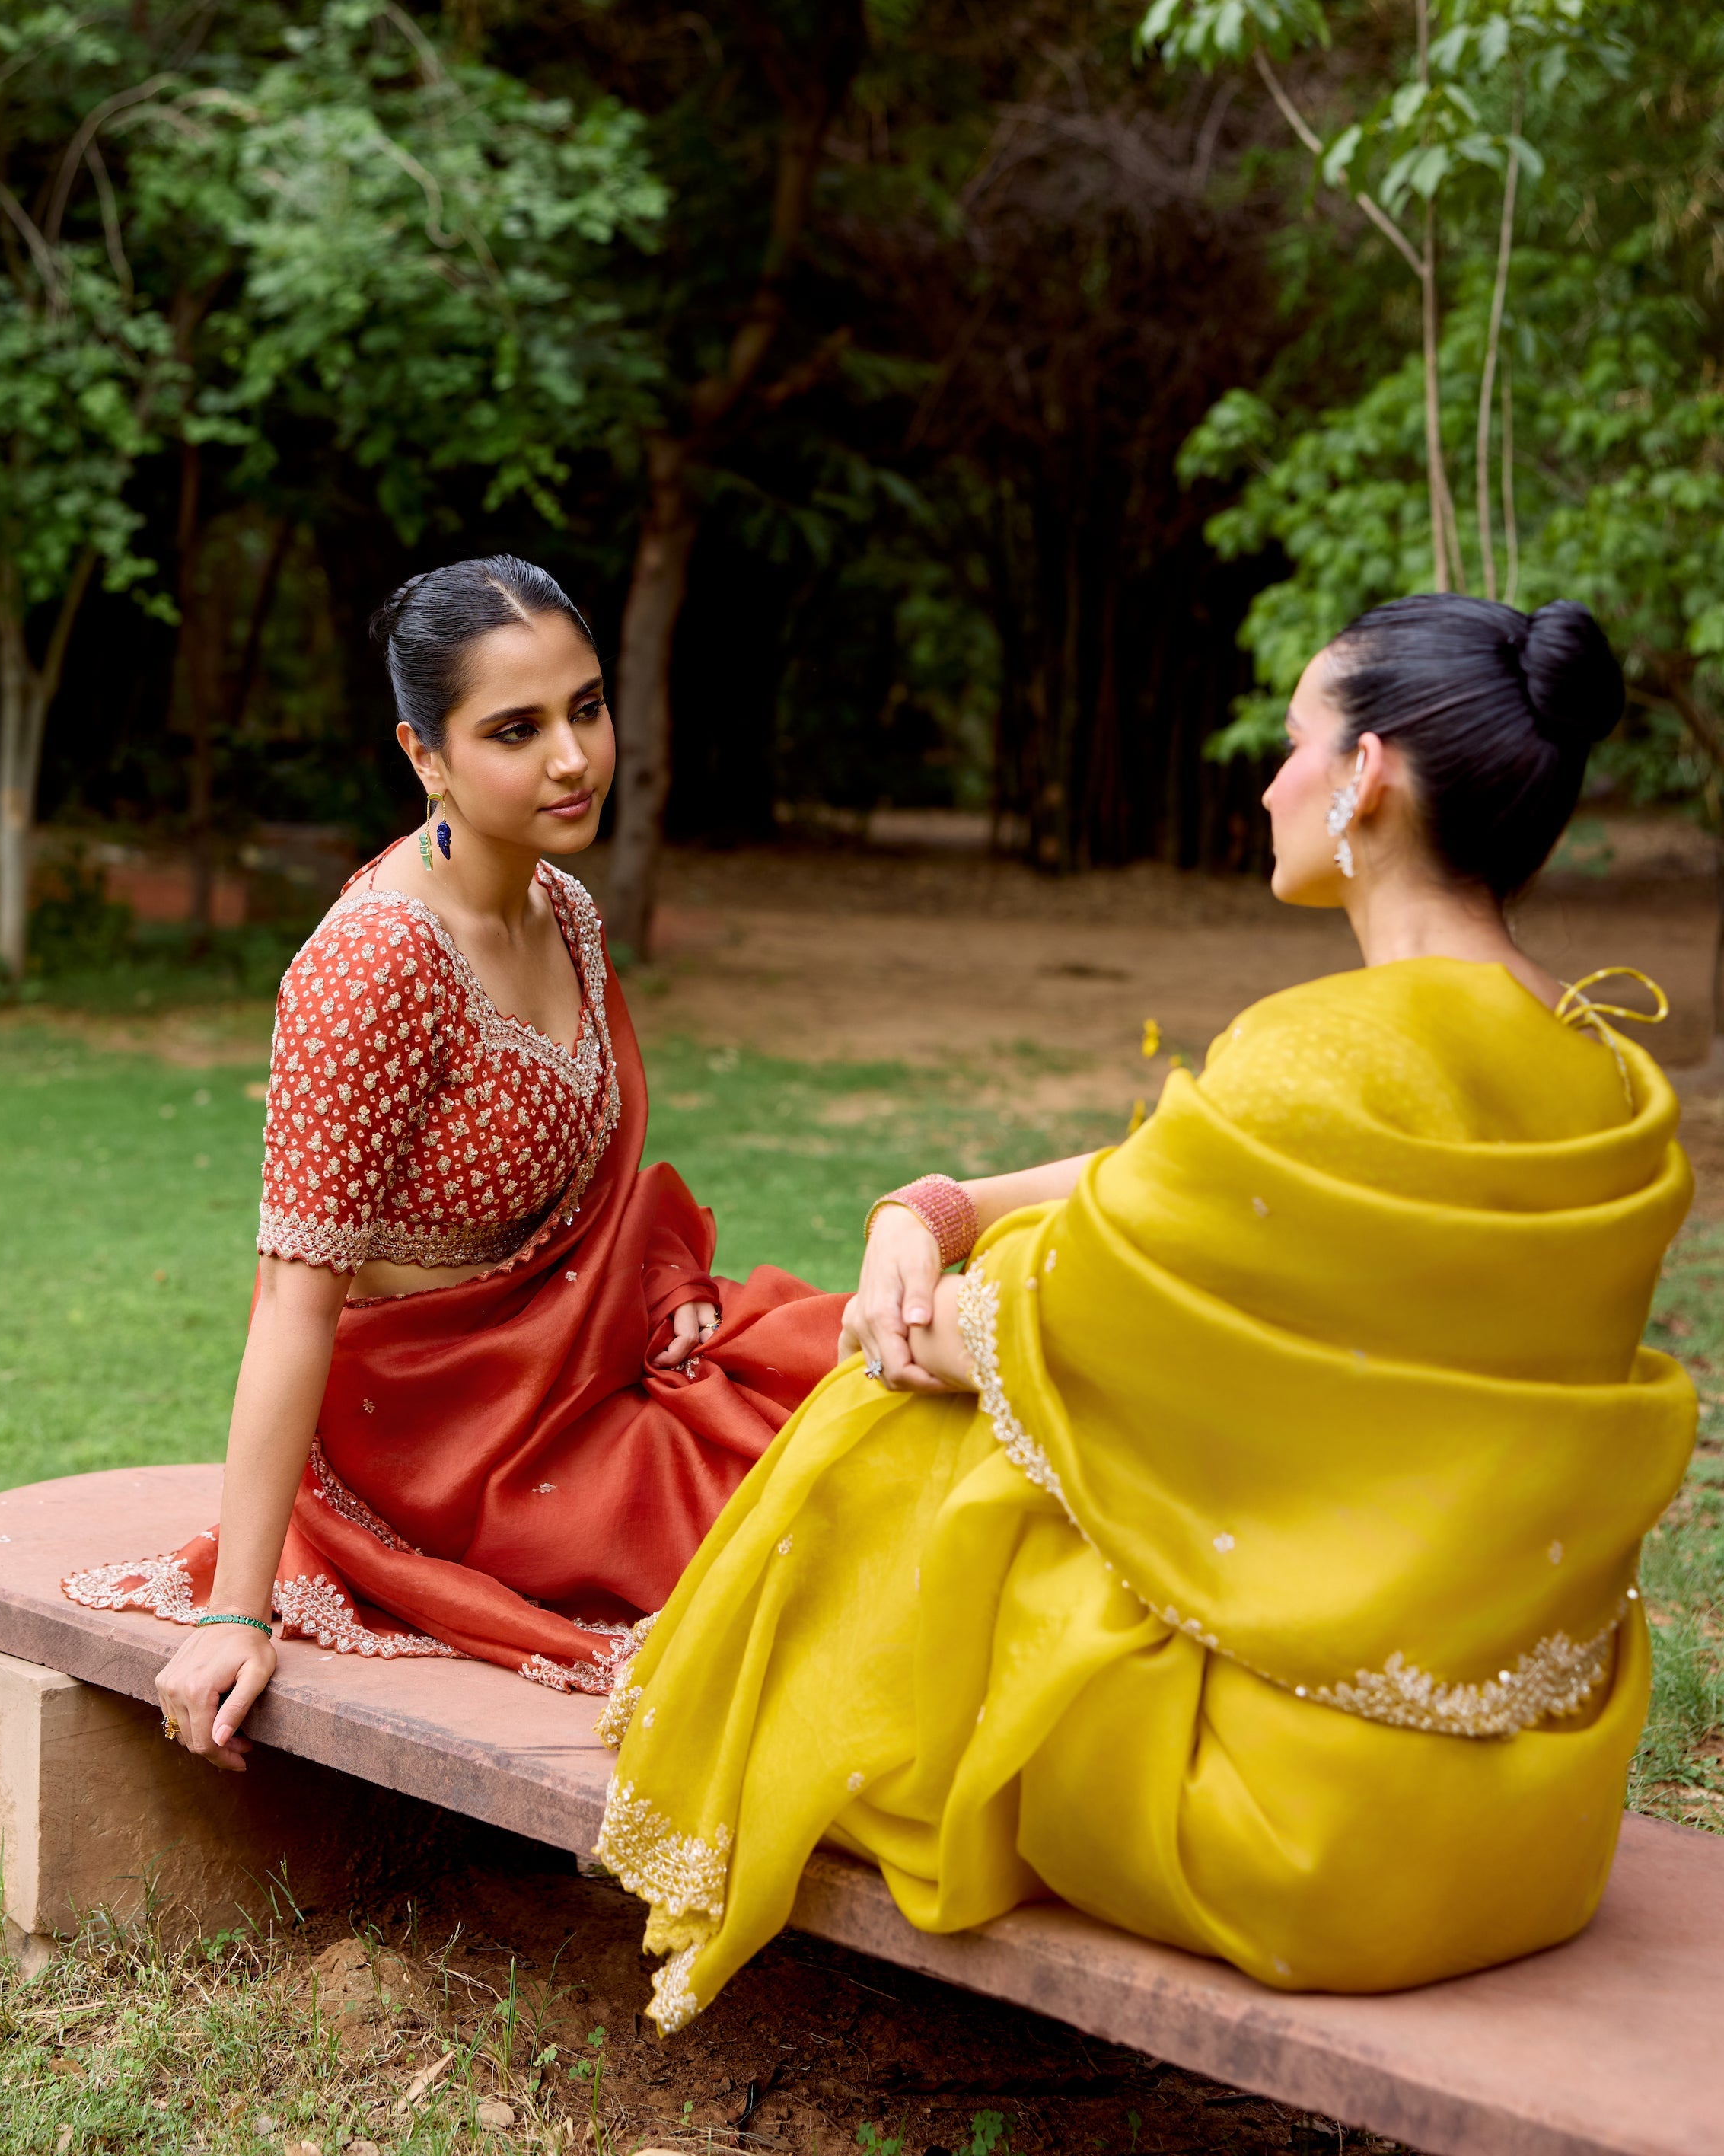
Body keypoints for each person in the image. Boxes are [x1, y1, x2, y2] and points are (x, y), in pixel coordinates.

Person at [593, 593, 1700, 2025]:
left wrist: (914, 1292)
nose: (1268, 780)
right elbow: (1148, 1180)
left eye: (1294, 741)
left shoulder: (1316, 1062)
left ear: (1368, 776)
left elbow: (971, 1342)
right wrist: (942, 1206)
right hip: (1528, 1830)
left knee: (902, 1432)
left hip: (1294, 1838)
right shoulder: (1605, 1081)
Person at [65, 556, 843, 1768]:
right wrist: (238, 1608)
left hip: (573, 1358)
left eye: (586, 708)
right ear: (424, 754)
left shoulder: (565, 914)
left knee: (853, 1379)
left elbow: (588, 1207)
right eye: (514, 730)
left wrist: (653, 1292)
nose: (573, 758)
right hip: (439, 1437)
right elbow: (291, 1295)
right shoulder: (375, 968)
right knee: (795, 1531)